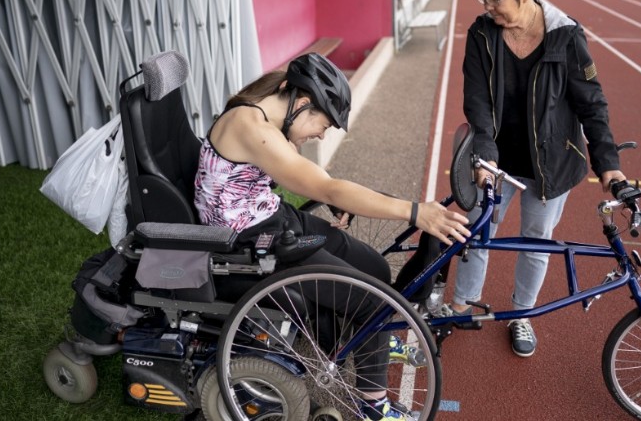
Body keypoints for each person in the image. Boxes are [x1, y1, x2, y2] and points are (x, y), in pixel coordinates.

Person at [194, 52, 469, 421]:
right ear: (303, 103)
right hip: (248, 241)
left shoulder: (265, 113)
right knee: (371, 299)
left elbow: (310, 176)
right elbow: (329, 186)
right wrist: (416, 211)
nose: (321, 135)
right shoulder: (252, 126)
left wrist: (329, 192)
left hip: (271, 217)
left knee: (373, 266)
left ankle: (369, 342)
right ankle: (373, 405)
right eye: (323, 125)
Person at [448, 0, 626, 358]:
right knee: (477, 231)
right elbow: (478, 102)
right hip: (496, 158)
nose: (488, 7)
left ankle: (522, 315)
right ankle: (459, 306)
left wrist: (609, 163)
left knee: (536, 241)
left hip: (551, 163)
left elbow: (591, 102)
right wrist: (486, 155)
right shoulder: (481, 34)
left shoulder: (566, 36)